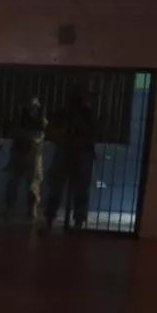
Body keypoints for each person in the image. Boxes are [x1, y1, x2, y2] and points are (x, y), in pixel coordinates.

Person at [42, 91, 98, 234]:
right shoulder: (85, 115)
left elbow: (51, 133)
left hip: (68, 154)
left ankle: (51, 222)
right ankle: (77, 223)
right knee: (77, 191)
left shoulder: (65, 114)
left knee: (60, 190)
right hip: (77, 155)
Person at [4, 97, 49, 220]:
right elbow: (16, 131)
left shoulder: (40, 119)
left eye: (34, 107)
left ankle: (32, 208)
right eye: (30, 106)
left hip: (33, 154)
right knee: (14, 182)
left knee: (33, 184)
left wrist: (26, 134)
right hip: (20, 153)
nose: (32, 109)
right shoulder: (20, 118)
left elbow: (40, 133)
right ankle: (10, 207)